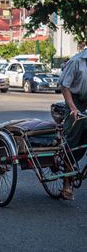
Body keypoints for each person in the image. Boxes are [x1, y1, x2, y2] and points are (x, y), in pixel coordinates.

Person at [59, 42, 87, 200]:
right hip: (75, 102)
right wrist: (73, 108)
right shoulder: (76, 61)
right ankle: (66, 184)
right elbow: (64, 86)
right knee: (72, 144)